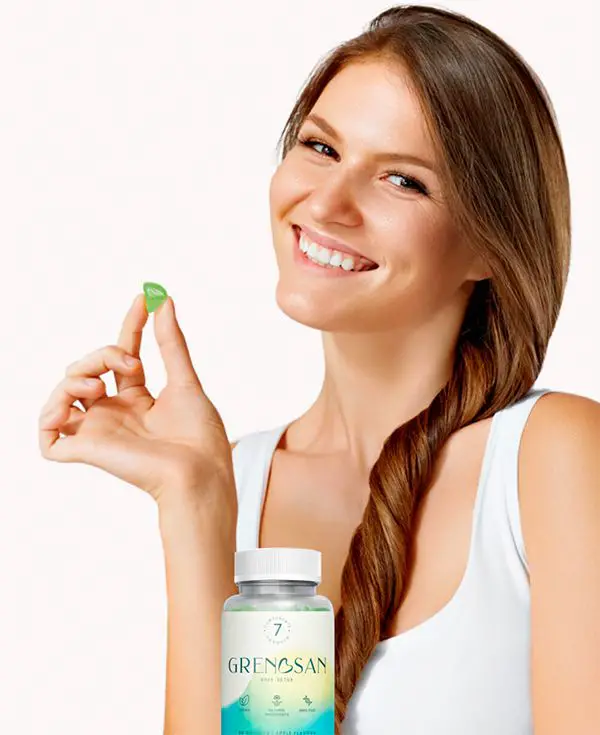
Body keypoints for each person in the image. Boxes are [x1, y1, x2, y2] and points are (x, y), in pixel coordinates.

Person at [38, 5, 600, 734]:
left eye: (403, 180)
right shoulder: (239, 477)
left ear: (488, 247)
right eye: (321, 147)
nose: (328, 203)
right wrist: (194, 501)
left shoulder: (553, 456)